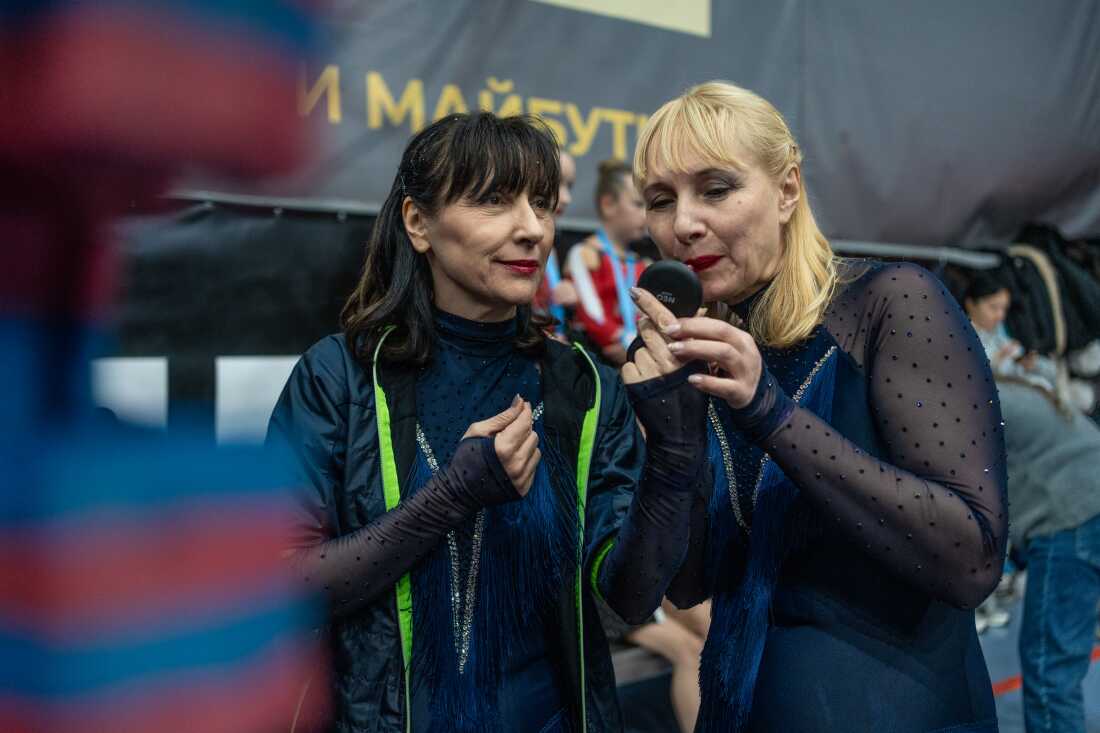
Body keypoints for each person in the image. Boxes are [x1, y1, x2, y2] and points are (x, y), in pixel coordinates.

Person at [266, 112, 709, 733]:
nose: (531, 228)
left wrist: (674, 452)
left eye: (543, 203)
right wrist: (449, 496)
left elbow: (628, 598)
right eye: (494, 201)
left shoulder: (580, 386)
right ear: (419, 223)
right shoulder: (339, 377)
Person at [625, 81, 1008, 732]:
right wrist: (672, 448)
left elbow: (971, 557)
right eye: (661, 200)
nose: (683, 222)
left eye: (715, 189)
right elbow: (680, 586)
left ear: (787, 191)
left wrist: (769, 411)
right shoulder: (685, 350)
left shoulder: (892, 303)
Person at [966, 276, 1100, 733]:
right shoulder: (1016, 378)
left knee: (1048, 670)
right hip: (1087, 504)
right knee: (1061, 659)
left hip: (1074, 518)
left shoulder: (983, 394)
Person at [566, 159, 649, 365]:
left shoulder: (642, 264)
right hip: (597, 362)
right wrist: (627, 341)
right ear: (608, 204)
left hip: (636, 357)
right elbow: (591, 314)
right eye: (638, 204)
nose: (646, 214)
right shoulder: (584, 254)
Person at [534, 150, 579, 336]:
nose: (567, 198)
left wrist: (573, 306)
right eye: (556, 182)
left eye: (569, 186)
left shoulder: (554, 249)